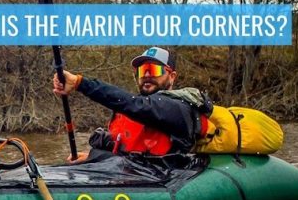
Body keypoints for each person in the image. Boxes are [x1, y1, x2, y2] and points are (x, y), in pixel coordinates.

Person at [52, 47, 212, 163]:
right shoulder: (131, 111)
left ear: (172, 76)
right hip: (134, 179)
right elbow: (129, 160)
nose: (147, 75)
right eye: (142, 71)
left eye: (153, 69)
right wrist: (93, 156)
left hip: (162, 187)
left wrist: (80, 83)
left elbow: (135, 104)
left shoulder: (178, 108)